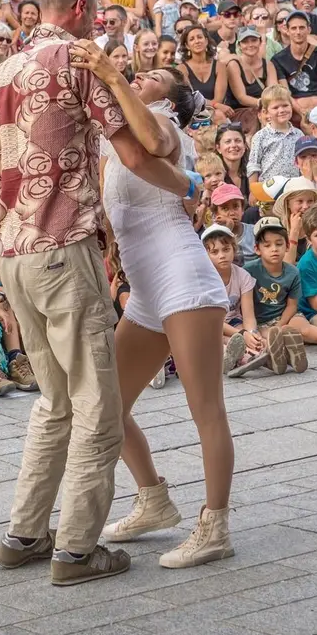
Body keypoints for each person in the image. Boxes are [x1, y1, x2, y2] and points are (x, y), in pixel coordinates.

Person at [0, 0, 192, 586]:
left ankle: (24, 534)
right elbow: (139, 151)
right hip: (63, 245)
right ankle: (76, 548)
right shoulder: (79, 60)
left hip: (12, 250)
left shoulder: (4, 70)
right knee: (97, 403)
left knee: (54, 401)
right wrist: (185, 183)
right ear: (84, 9)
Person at [74, 47, 235, 567]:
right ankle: (153, 500)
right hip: (146, 292)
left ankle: (215, 526)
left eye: (155, 78)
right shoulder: (115, 138)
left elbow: (154, 144)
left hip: (185, 281)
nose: (142, 77)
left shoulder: (165, 126)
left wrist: (111, 74)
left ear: (170, 99)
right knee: (108, 405)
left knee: (205, 410)